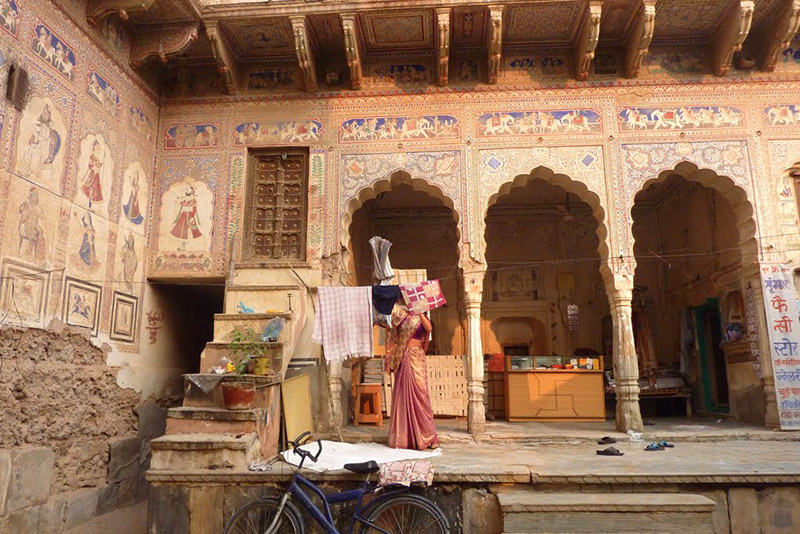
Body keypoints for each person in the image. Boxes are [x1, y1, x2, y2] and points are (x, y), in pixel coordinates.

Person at [384, 303, 440, 450]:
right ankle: (405, 438)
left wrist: (420, 313)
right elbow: (395, 338)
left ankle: (428, 436)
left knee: (421, 395)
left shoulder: (422, 317)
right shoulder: (401, 317)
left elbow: (429, 329)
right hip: (404, 358)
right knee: (403, 395)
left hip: (417, 356)